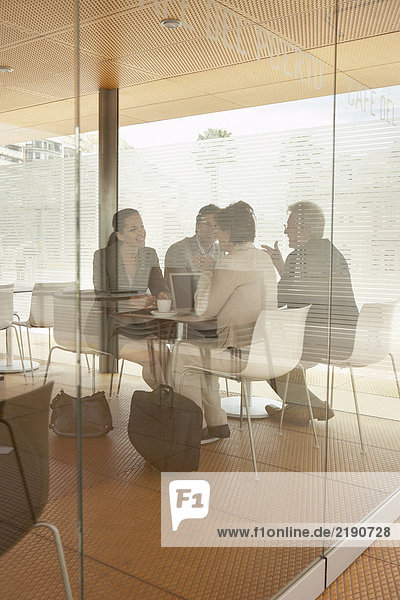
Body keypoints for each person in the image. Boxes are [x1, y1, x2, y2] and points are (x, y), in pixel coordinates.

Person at [171, 202, 277, 441]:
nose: (216, 235)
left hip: (242, 355)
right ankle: (217, 424)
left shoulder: (232, 262)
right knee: (199, 352)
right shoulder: (262, 258)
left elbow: (204, 310)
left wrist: (209, 273)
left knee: (180, 352)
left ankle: (192, 429)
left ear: (229, 232)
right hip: (266, 352)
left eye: (218, 229)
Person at [262, 201, 359, 424]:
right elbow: (305, 294)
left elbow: (279, 301)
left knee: (264, 346)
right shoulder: (332, 253)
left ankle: (309, 404)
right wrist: (281, 266)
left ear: (303, 230)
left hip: (324, 338)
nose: (285, 230)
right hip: (347, 336)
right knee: (281, 343)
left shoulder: (301, 257)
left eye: (289, 226)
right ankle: (298, 407)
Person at [93, 208, 169, 388]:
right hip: (111, 326)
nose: (141, 232)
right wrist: (128, 303)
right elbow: (102, 298)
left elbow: (160, 287)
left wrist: (162, 295)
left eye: (142, 226)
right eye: (133, 229)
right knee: (154, 356)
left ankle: (167, 401)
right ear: (119, 235)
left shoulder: (149, 254)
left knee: (164, 353)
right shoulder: (103, 257)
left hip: (140, 325)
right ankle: (167, 401)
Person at [164, 204, 223, 283]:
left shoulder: (221, 251)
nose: (212, 229)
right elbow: (181, 289)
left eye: (216, 226)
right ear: (197, 226)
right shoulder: (178, 250)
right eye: (207, 224)